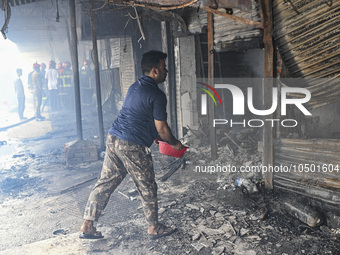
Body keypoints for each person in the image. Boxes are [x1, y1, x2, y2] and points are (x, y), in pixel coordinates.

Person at [80, 50, 183, 240]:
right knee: (147, 186)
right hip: (131, 145)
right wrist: (175, 143)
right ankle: (153, 227)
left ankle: (87, 225)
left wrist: (151, 134)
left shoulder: (134, 87)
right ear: (154, 71)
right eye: (163, 67)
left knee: (105, 183)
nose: (166, 71)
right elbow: (163, 130)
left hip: (114, 139)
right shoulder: (157, 95)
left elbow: (139, 115)